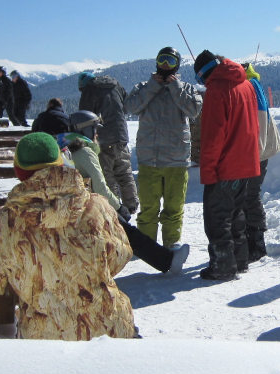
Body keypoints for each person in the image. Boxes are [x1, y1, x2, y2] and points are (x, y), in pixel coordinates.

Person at [0, 133, 137, 340]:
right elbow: (120, 256)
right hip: (109, 329)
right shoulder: (96, 206)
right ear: (60, 164)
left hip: (45, 340)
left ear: (19, 171)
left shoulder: (2, 224)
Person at [62, 111, 189, 275]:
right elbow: (100, 186)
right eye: (94, 129)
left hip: (77, 207)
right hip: (89, 207)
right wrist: (118, 206)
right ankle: (169, 260)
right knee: (128, 232)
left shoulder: (69, 150)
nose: (97, 133)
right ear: (85, 131)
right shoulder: (85, 152)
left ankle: (167, 260)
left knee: (122, 233)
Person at [124, 47, 202, 249]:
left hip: (176, 160)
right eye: (162, 60)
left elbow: (193, 110)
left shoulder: (187, 88)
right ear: (156, 62)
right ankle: (147, 248)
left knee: (173, 208)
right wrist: (152, 87)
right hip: (150, 159)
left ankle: (171, 246)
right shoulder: (143, 86)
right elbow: (131, 107)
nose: (165, 65)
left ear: (177, 64)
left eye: (170, 60)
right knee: (148, 208)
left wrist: (176, 87)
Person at [192, 50, 260, 281]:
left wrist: (208, 172)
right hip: (247, 163)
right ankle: (239, 260)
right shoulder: (246, 84)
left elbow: (213, 137)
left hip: (225, 166)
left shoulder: (216, 91)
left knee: (217, 217)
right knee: (236, 213)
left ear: (203, 73)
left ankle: (222, 265)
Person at [238, 62, 280, 263]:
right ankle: (250, 241)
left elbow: (260, 119)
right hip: (255, 149)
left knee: (250, 195)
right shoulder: (250, 83)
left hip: (259, 151)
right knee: (247, 195)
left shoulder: (251, 85)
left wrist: (255, 152)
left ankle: (257, 243)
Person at [78, 70, 138, 213]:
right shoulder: (115, 84)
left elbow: (84, 116)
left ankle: (114, 208)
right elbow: (126, 105)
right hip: (121, 134)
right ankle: (131, 204)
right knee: (124, 172)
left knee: (107, 174)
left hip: (102, 136)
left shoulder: (89, 89)